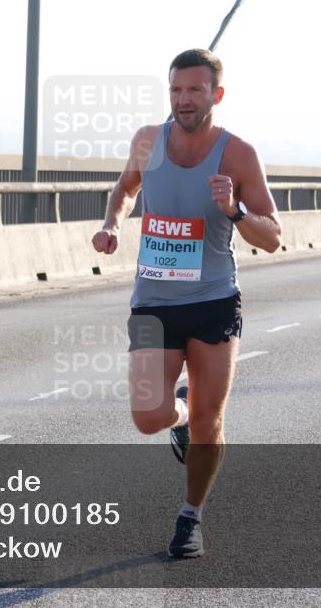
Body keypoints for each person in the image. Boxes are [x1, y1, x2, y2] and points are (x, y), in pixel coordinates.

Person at [91, 49, 282, 558]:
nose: (184, 100)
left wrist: (234, 209)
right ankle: (177, 417)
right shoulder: (147, 141)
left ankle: (190, 517)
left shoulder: (238, 154)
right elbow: (125, 189)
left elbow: (273, 238)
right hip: (153, 301)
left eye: (195, 91)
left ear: (216, 95)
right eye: (176, 90)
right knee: (149, 415)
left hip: (214, 302)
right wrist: (112, 223)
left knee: (209, 421)